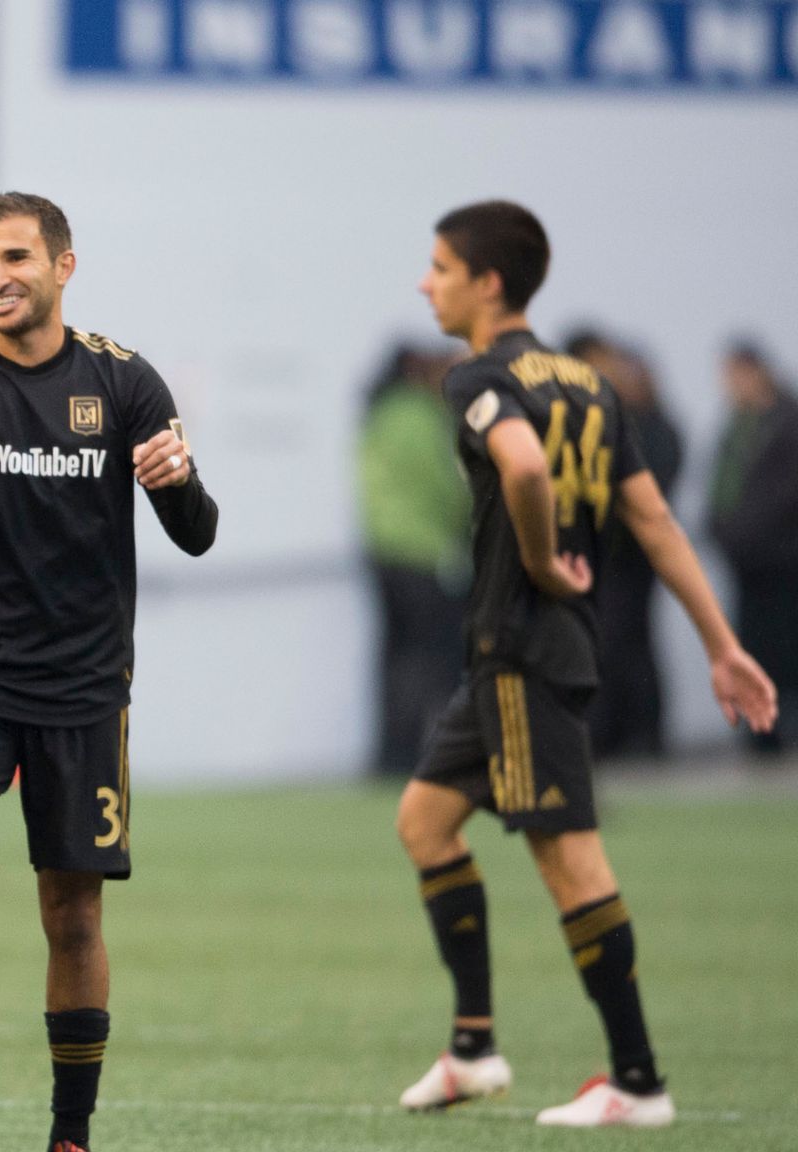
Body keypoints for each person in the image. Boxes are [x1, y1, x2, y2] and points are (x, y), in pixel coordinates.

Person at [397, 200, 777, 1127]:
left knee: (572, 864)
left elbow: (524, 469)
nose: (426, 281)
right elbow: (654, 523)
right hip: (516, 659)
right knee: (425, 822)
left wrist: (533, 558)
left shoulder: (479, 375)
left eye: (440, 266)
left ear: (488, 283)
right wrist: (723, 647)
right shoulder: (589, 382)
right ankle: (474, 1049)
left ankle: (639, 1082)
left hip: (526, 652)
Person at [0, 192, 218, 1152]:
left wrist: (178, 484)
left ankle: (71, 1134)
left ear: (64, 265)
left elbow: (197, 534)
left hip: (84, 687)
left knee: (73, 910)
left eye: (14, 256)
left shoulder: (124, 380)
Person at [565, 331, 683, 759]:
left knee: (629, 647)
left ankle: (642, 736)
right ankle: (609, 735)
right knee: (603, 647)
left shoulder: (649, 427)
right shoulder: (599, 421)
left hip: (630, 557)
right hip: (602, 555)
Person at [359, 344, 471, 773]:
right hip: (426, 555)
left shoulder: (378, 415)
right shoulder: (424, 418)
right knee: (437, 661)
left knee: (395, 658)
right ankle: (443, 753)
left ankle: (393, 753)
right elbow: (447, 488)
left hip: (383, 552)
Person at [709, 341, 798, 756]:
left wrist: (744, 530)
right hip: (747, 563)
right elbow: (721, 487)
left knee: (784, 645)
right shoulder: (737, 426)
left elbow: (781, 495)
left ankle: (782, 727)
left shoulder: (786, 421)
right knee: (752, 646)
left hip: (782, 560)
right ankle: (763, 732)